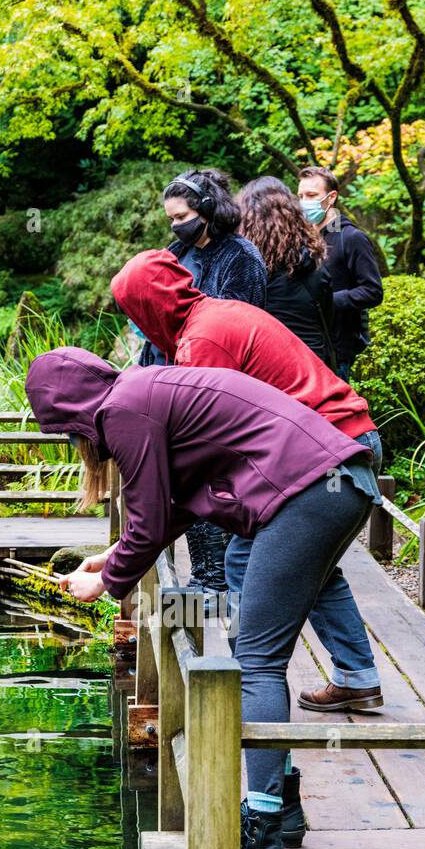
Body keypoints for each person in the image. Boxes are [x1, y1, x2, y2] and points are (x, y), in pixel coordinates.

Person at [25, 346, 379, 849]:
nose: (72, 444)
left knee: (257, 660)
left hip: (310, 493)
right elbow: (175, 506)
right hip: (337, 484)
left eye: (63, 432)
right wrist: (116, 554)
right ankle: (283, 811)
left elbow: (149, 518)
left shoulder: (123, 411)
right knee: (260, 652)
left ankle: (259, 832)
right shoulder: (143, 393)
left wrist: (108, 582)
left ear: (67, 411)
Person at [110, 247, 384, 759]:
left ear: (150, 306)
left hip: (326, 452)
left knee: (245, 558)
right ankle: (356, 674)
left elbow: (209, 442)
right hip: (349, 442)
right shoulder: (218, 313)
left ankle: (252, 681)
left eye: (134, 313)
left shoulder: (203, 342)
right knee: (313, 568)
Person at [139, 169, 267, 593]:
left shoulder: (242, 256)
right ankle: (204, 576)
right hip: (169, 376)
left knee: (215, 479)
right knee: (183, 478)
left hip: (217, 381)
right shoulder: (174, 253)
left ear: (208, 210)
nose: (176, 226)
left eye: (182, 216)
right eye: (171, 219)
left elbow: (237, 322)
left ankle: (221, 581)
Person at [237, 175, 337, 370]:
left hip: (264, 367)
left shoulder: (244, 269)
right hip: (312, 366)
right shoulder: (313, 261)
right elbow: (327, 316)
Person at [296, 166, 383, 382]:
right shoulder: (301, 237)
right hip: (303, 344)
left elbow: (373, 291)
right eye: (300, 196)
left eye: (312, 195)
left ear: (331, 197)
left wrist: (327, 301)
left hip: (337, 351)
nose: (304, 201)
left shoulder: (351, 237)